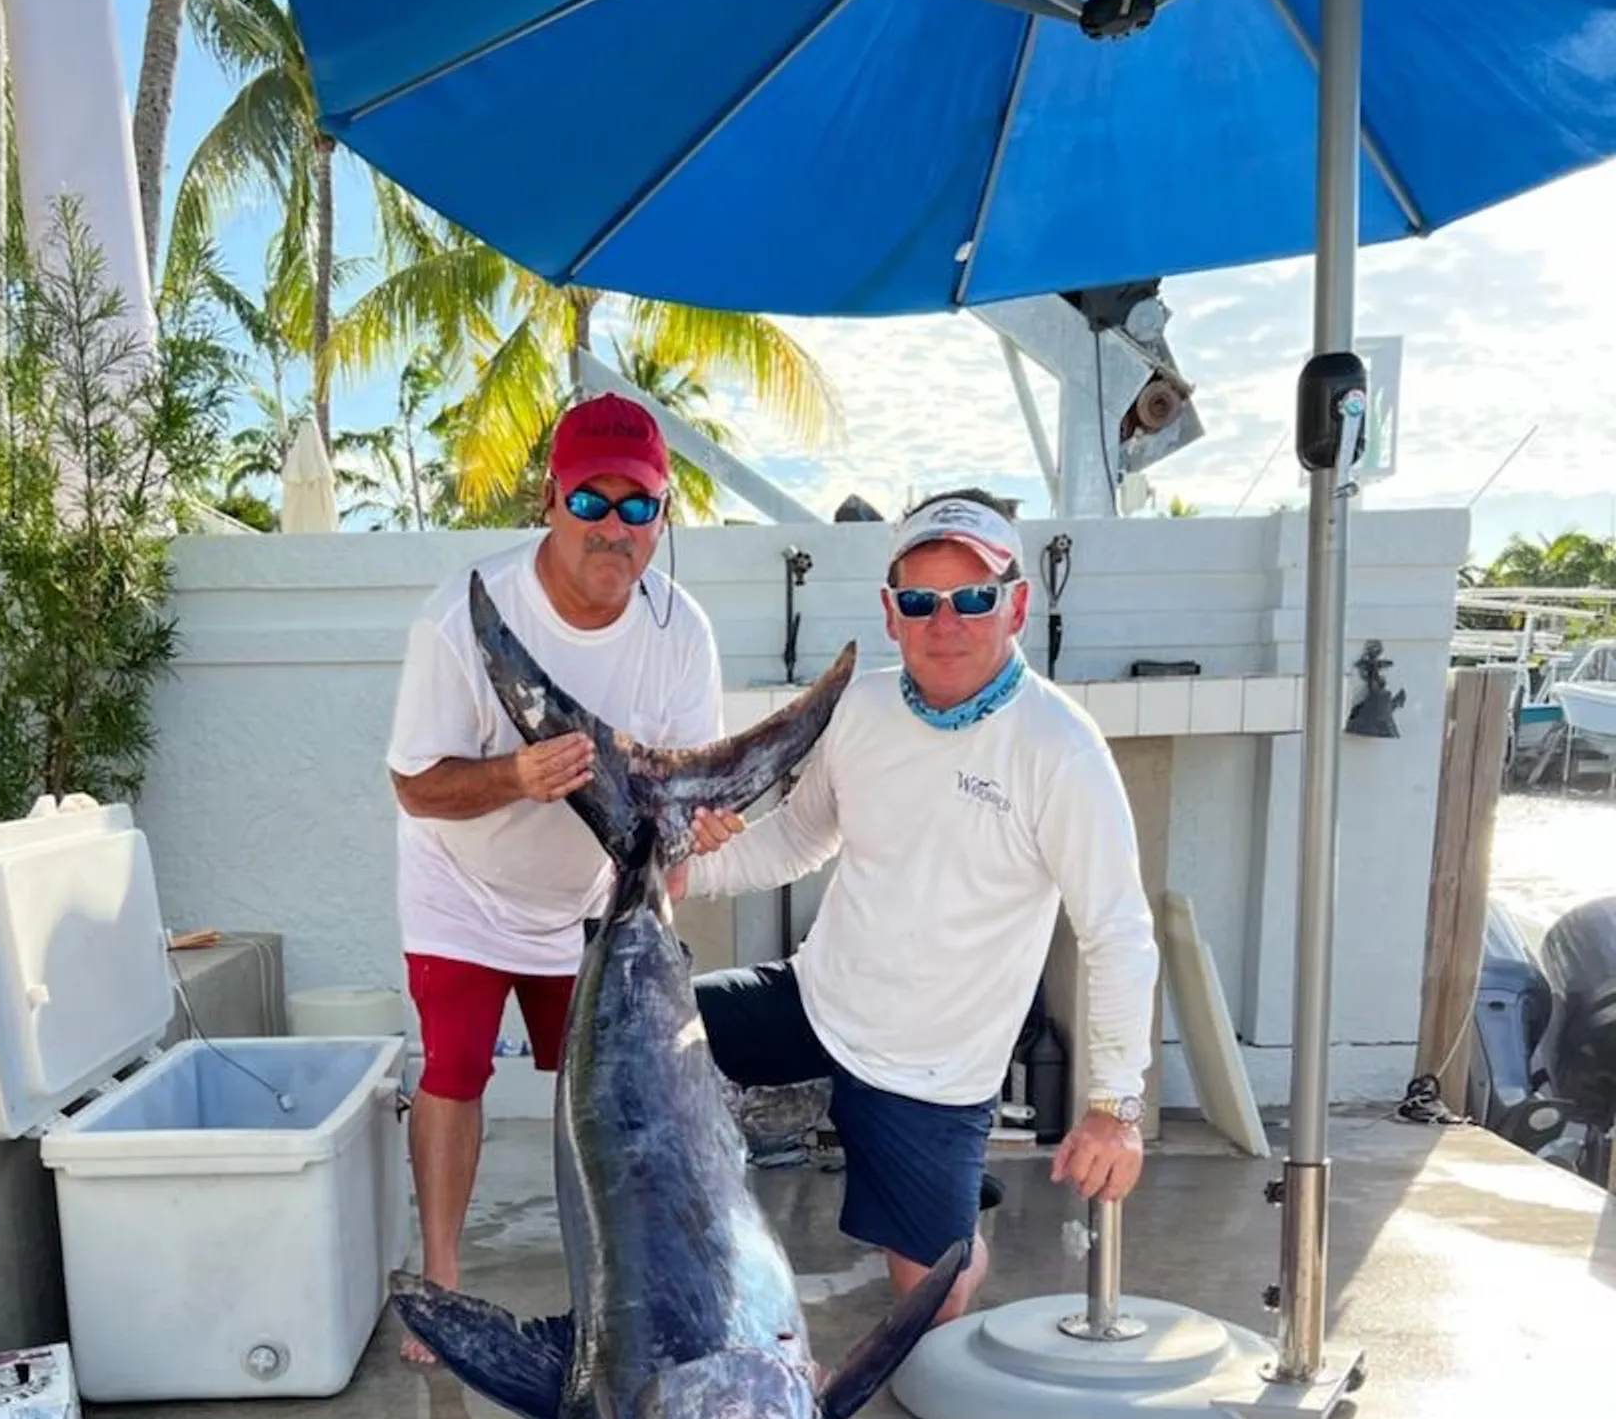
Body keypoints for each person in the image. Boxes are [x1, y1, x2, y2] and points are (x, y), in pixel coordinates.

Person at [674, 488, 1159, 1326]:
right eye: (921, 602)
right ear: (889, 614)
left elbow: (1117, 931)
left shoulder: (1061, 750)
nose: (948, 622)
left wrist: (1115, 1107)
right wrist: (684, 871)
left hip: (934, 1069)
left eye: (973, 598)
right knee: (646, 1037)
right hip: (817, 1000)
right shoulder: (858, 706)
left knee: (932, 1312)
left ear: (1015, 605)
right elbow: (799, 837)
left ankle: (956, 1221)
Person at [385, 393, 725, 1360]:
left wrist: (693, 846)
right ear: (551, 499)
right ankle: (443, 1276)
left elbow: (678, 799)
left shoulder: (681, 633)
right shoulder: (462, 615)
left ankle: (623, 1293)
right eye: (591, 500)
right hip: (462, 881)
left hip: (592, 901)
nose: (612, 527)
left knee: (606, 1097)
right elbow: (417, 787)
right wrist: (514, 777)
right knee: (452, 1071)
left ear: (661, 519)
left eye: (637, 506)